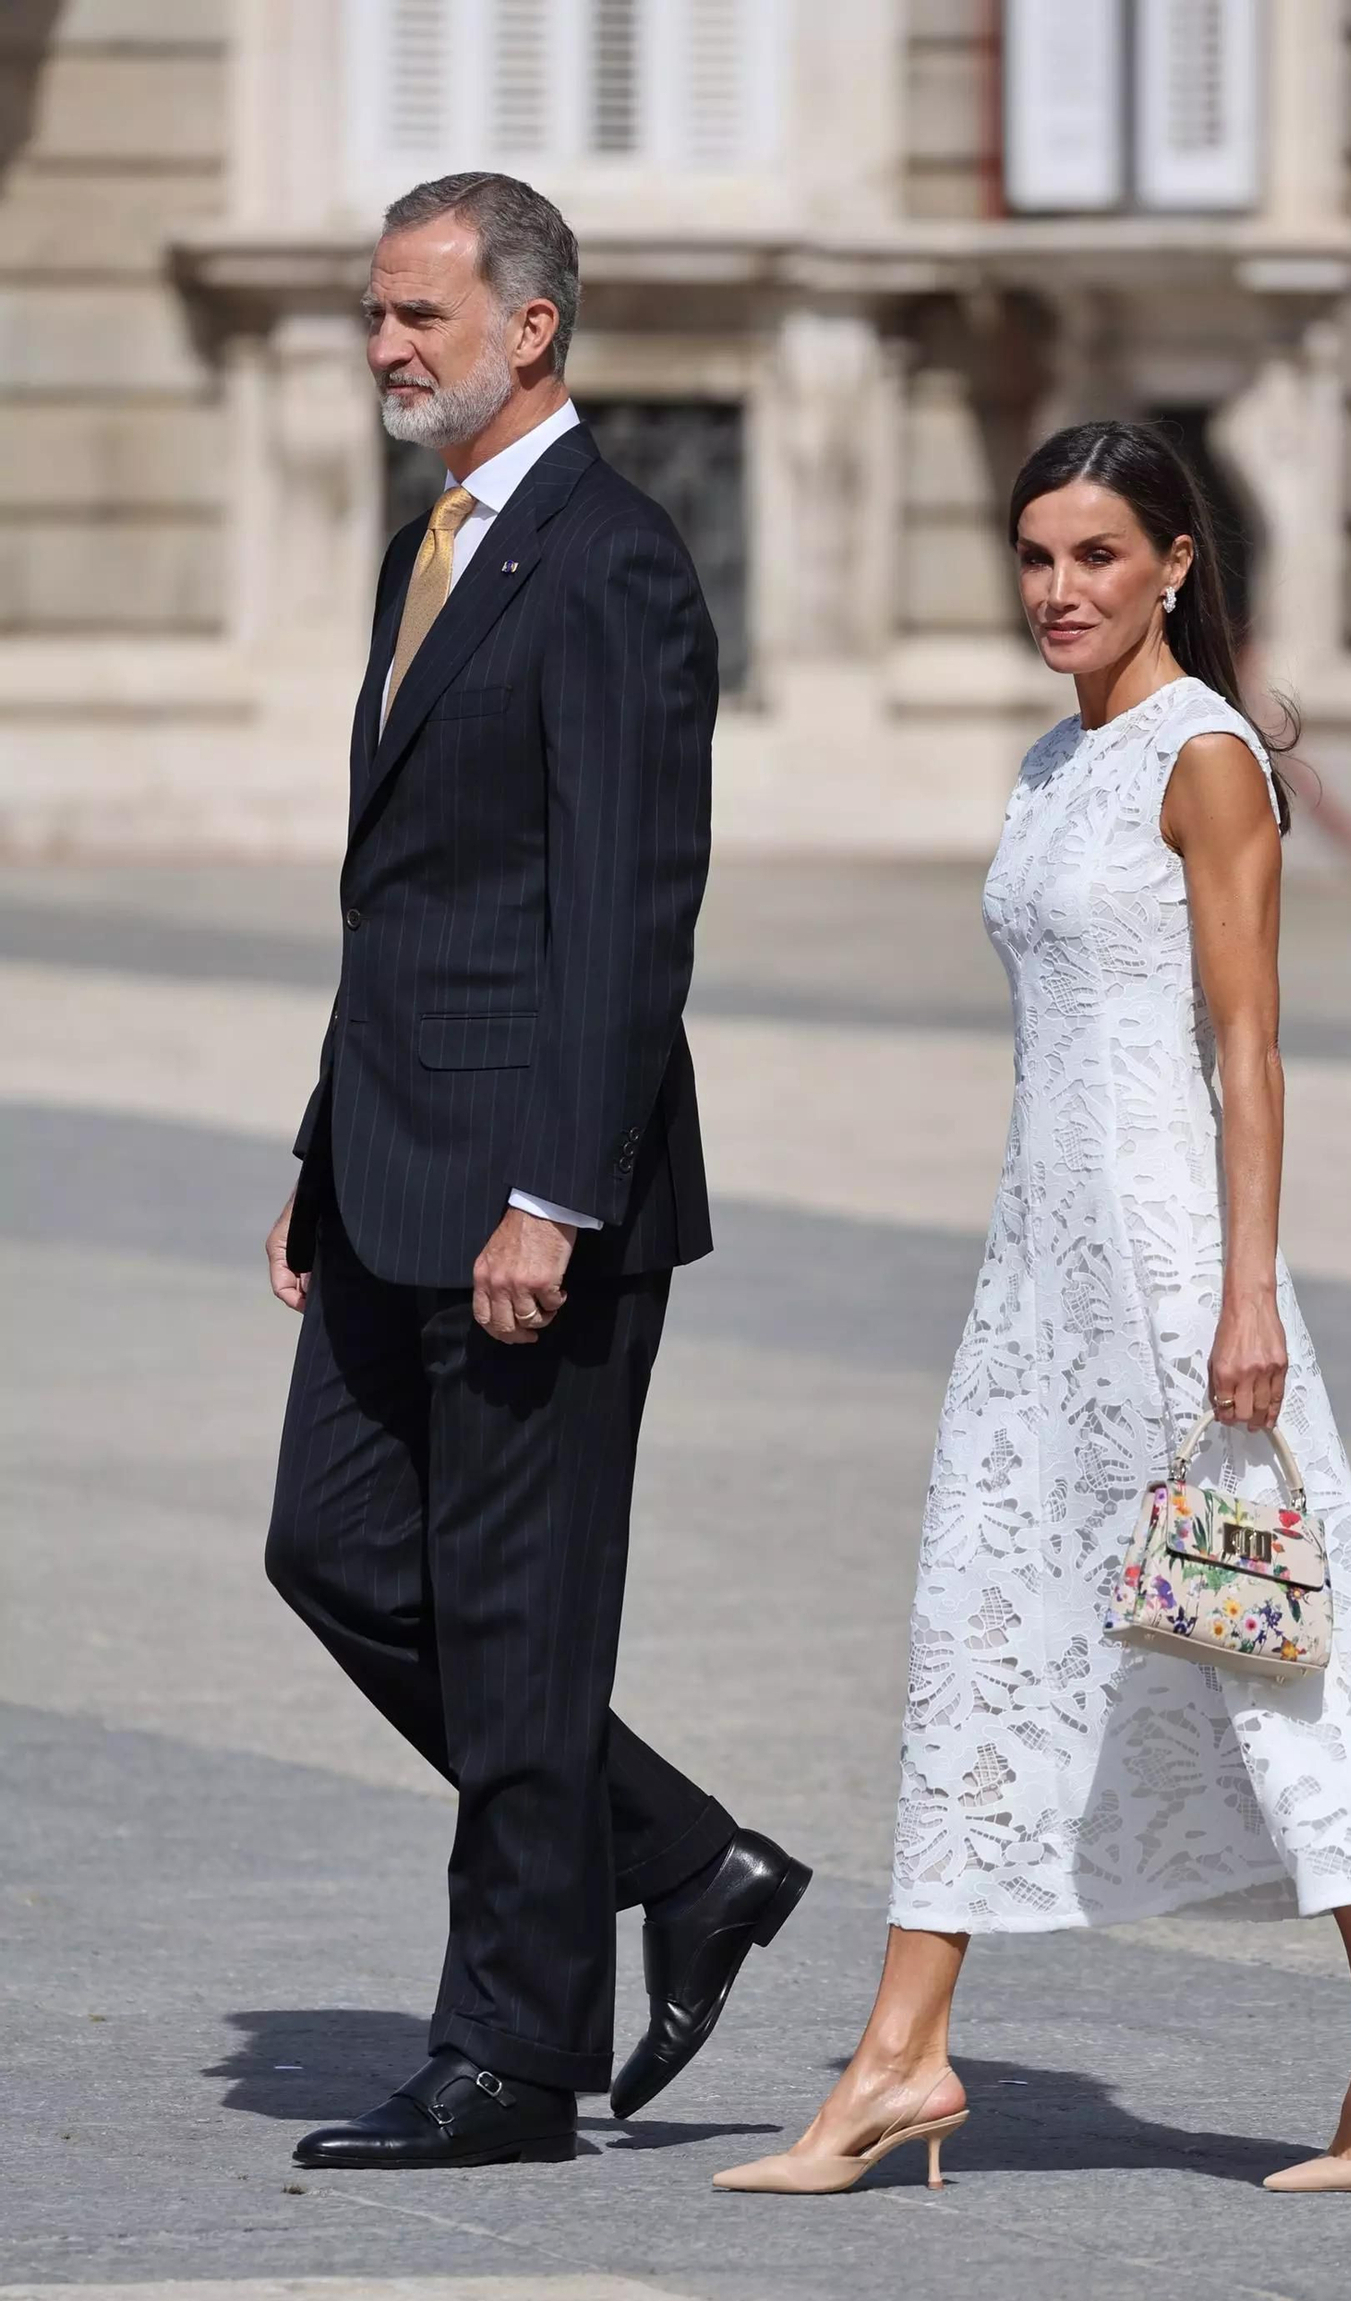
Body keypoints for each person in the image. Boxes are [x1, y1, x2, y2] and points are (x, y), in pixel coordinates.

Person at [714, 422, 1351, 2201]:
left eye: (1096, 557)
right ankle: (900, 2060)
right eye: (1036, 557)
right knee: (981, 1635)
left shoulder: (1205, 759)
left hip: (1166, 1273)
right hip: (1037, 1275)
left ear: (1174, 565)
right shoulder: (1055, 763)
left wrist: (1242, 1295)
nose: (1060, 591)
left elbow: (1248, 1044)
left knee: (1256, 1647)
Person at [263, 172, 808, 2172]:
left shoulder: (610, 560)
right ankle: (680, 1854)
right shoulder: (434, 542)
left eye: (421, 314)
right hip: (391, 1164)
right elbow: (404, 898)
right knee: (328, 1550)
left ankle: (507, 2057)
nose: (390, 345)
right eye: (379, 315)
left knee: (514, 1628)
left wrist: (555, 1197)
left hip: (530, 1201)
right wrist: (322, 1155)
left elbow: (622, 911)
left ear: (531, 328)